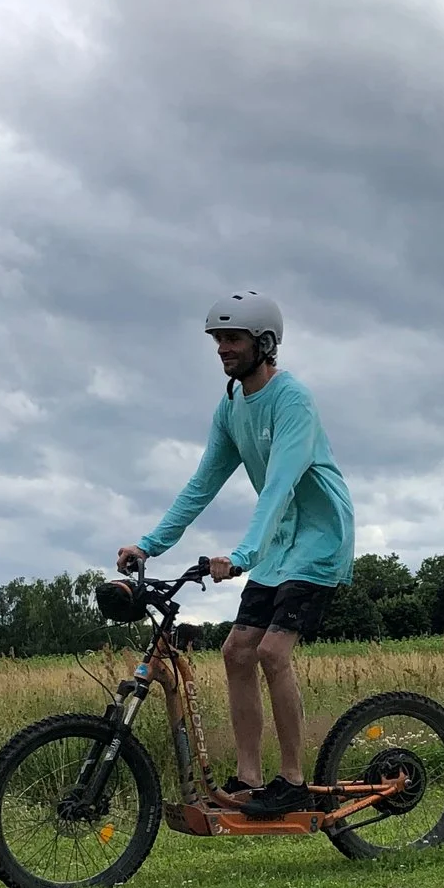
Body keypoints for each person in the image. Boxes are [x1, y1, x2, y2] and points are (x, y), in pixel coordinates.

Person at [118, 292, 355, 817]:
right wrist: (149, 544)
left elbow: (279, 484)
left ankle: (291, 779)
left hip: (318, 540)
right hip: (276, 544)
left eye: (233, 339)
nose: (222, 348)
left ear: (264, 343)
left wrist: (244, 553)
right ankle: (250, 779)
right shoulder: (231, 406)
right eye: (217, 339)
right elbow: (203, 482)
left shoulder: (293, 400)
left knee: (272, 652)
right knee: (235, 652)